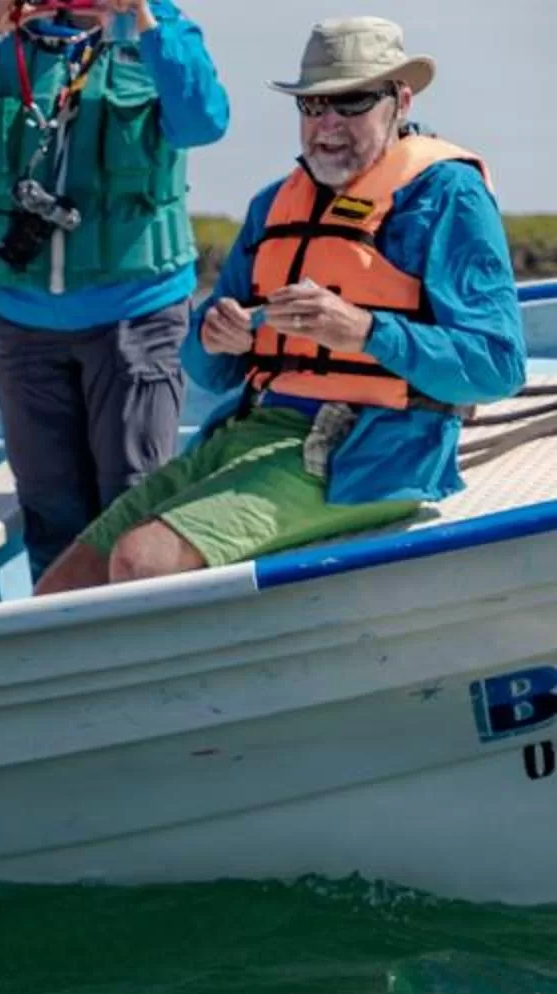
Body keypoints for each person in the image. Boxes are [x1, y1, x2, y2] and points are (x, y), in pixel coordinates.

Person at [35, 16, 526, 595]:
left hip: (370, 451)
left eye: (350, 104)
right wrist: (215, 338)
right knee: (62, 587)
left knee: (142, 563)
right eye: (312, 107)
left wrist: (366, 331)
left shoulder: (448, 196)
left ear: (400, 100)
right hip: (251, 433)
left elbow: (498, 366)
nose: (328, 126)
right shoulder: (274, 206)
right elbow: (206, 370)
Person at [0, 0, 230, 579]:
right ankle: (63, 637)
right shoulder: (4, 39)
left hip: (137, 315)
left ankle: (137, 639)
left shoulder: (162, 32)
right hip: (25, 325)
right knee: (49, 505)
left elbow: (203, 120)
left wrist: (144, 21)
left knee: (135, 497)